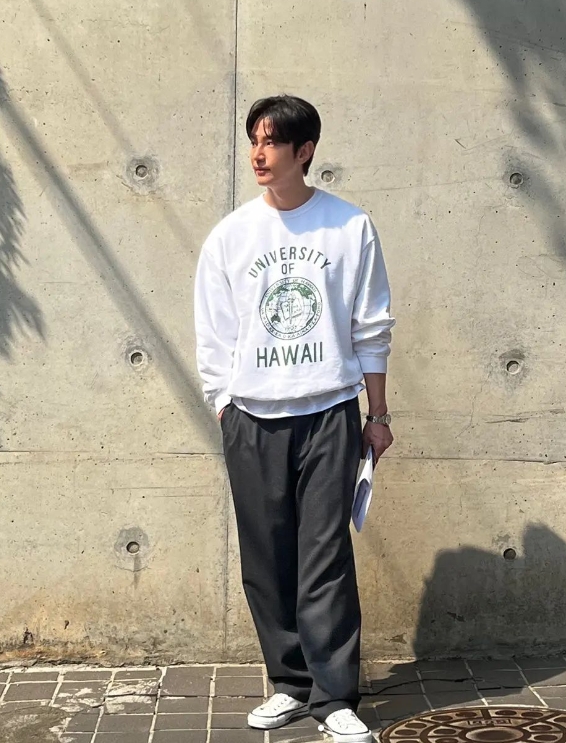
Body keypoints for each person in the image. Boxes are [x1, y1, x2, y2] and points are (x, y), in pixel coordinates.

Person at [194, 94, 395, 743]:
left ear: (304, 151)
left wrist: (378, 414)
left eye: (273, 141)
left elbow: (371, 325)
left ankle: (335, 695)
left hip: (329, 412)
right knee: (266, 558)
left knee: (325, 557)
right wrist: (224, 405)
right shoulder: (231, 236)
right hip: (252, 418)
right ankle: (290, 683)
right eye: (254, 139)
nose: (259, 153)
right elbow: (214, 334)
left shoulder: (349, 226)